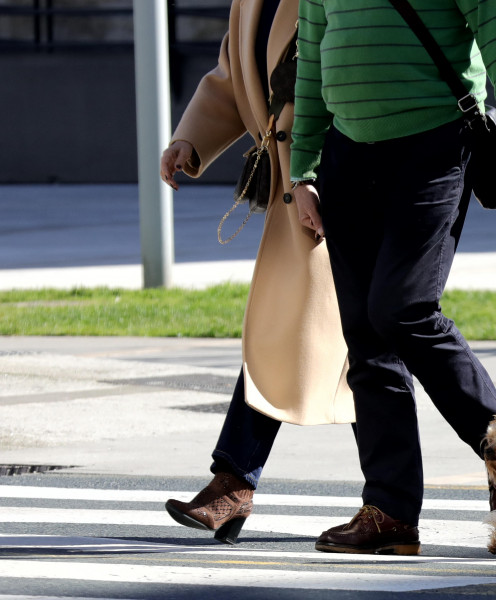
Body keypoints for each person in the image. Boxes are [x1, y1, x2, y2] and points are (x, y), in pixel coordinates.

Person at [289, 0, 496, 555]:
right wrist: (304, 170)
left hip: (432, 145)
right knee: (364, 334)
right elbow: (310, 63)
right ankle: (390, 512)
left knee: (402, 309)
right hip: (346, 156)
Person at [158, 0, 353, 545]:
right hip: (297, 183)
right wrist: (190, 140)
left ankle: (405, 493)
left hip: (343, 176)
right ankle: (236, 481)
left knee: (374, 334)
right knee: (324, 332)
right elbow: (231, 75)